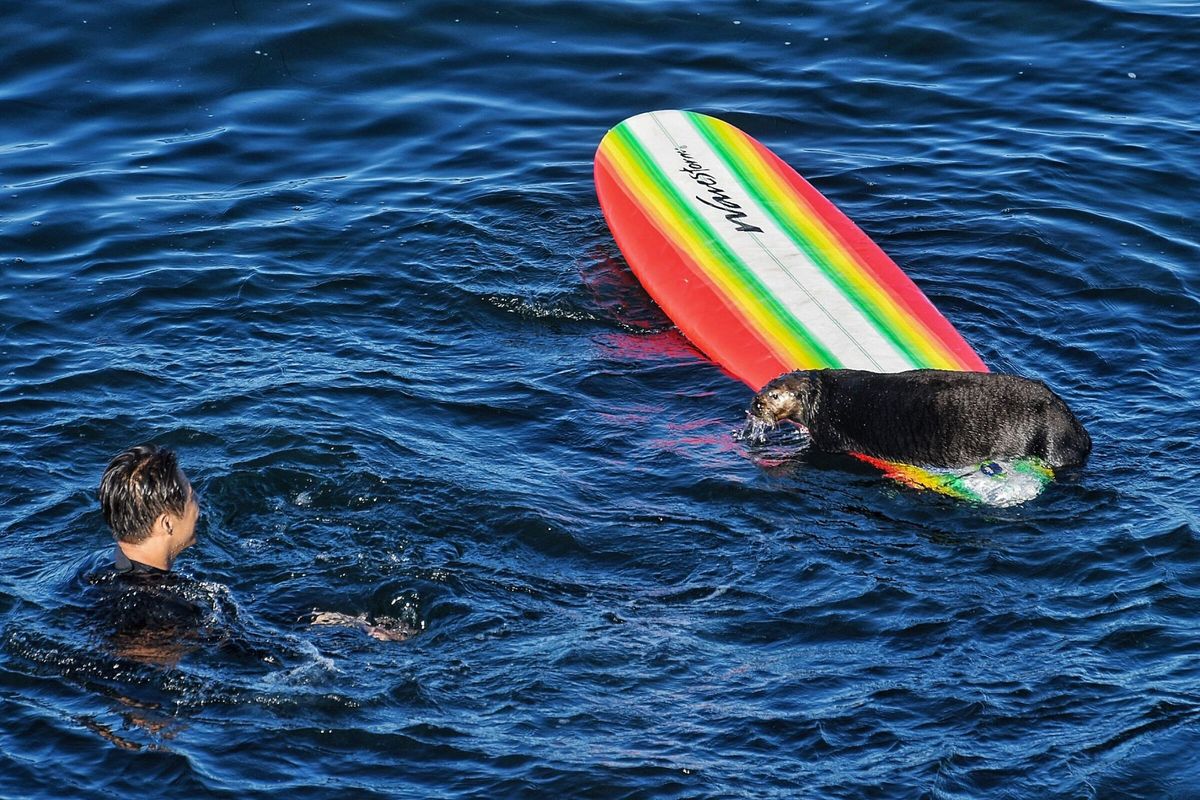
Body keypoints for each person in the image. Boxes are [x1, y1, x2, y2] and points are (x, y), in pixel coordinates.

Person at [98, 443, 200, 573]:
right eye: (192, 497)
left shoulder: (99, 563)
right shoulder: (161, 592)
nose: (198, 499)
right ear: (167, 524)